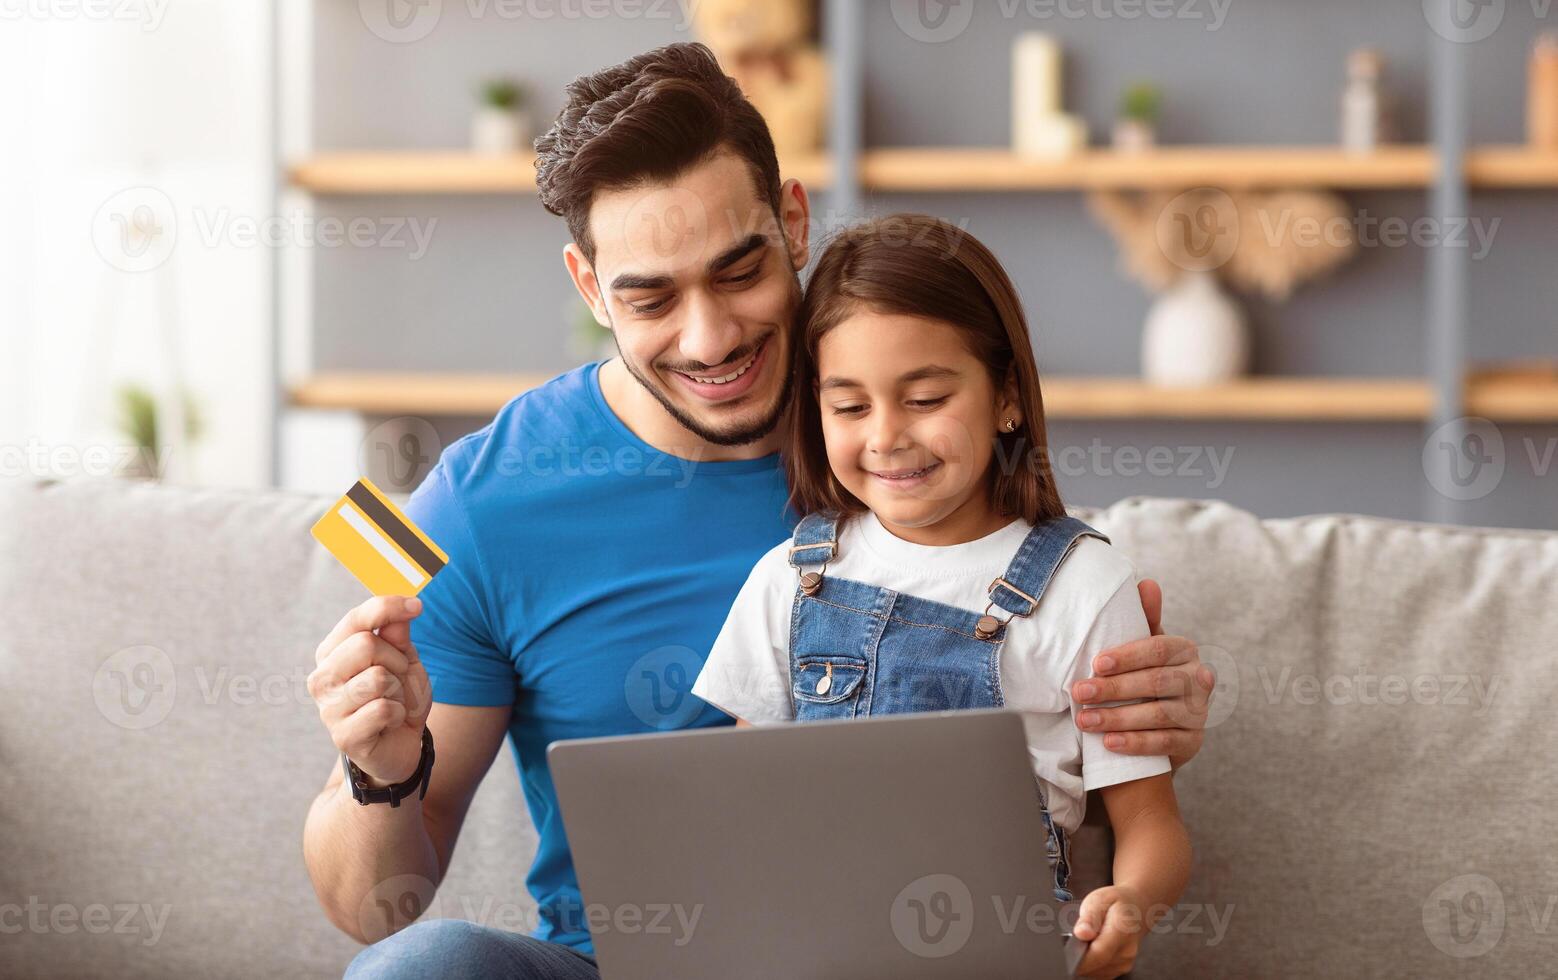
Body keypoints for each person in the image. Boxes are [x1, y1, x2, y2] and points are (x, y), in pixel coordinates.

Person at [303, 42, 1214, 980]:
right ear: (588, 285)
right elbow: (376, 910)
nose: (712, 337)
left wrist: (1139, 725)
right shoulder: (478, 506)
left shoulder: (901, 424)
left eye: (739, 273)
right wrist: (377, 770)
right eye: (651, 297)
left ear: (792, 222)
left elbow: (1049, 710)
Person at [692, 214, 1190, 979]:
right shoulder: (789, 577)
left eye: (924, 398)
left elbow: (1151, 825)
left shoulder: (1086, 587)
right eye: (850, 407)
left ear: (1007, 399)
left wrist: (1129, 905)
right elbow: (742, 804)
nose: (886, 435)